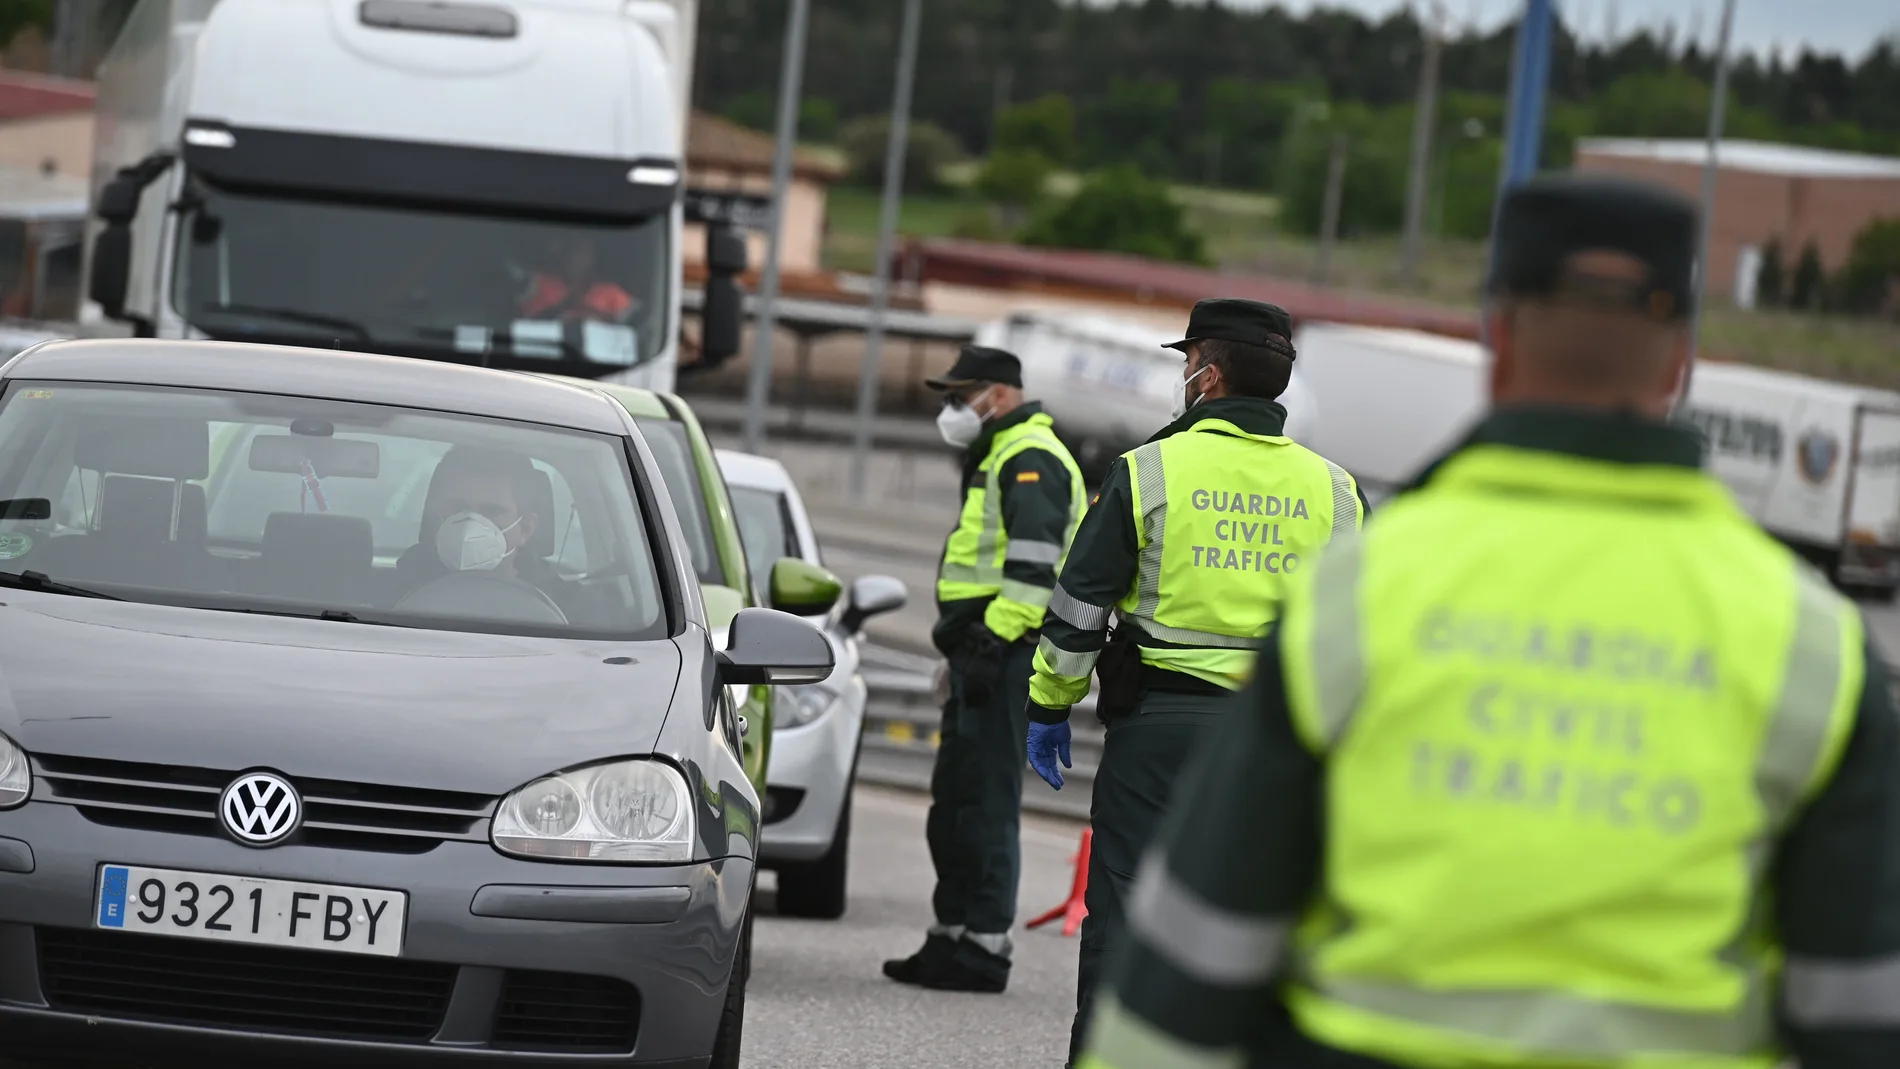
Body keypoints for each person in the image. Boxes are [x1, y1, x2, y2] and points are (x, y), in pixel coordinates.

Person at [1077, 173, 1900, 1069]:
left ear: (1497, 339)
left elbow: (1199, 956)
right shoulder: (1816, 646)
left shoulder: (1357, 599)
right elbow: (1859, 1008)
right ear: (1676, 368)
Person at [1022, 297, 1367, 1064]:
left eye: (1187, 361)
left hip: (1160, 732)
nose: (1183, 374)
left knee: (1125, 915)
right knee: (1264, 925)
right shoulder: (1337, 492)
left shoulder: (1149, 470)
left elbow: (1080, 606)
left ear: (1208, 375)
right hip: (1281, 745)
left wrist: (1050, 703)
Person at [882, 345, 1088, 994]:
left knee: (986, 798)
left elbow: (1031, 573)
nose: (952, 410)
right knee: (957, 798)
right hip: (982, 651)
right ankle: (952, 933)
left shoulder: (1030, 459)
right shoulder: (1001, 455)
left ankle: (984, 943)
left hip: (1004, 652)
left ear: (997, 395)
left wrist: (987, 645)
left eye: (959, 396)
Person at [395, 445, 590, 622]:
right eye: (457, 508)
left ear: (525, 528)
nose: (470, 524)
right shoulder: (390, 597)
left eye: (491, 511)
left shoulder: (574, 614)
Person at [519, 236, 635, 323]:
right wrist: (561, 312)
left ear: (592, 257)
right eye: (569, 250)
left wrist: (594, 316)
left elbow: (638, 324)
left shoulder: (611, 292)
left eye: (580, 251)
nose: (575, 256)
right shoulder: (536, 283)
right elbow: (518, 319)